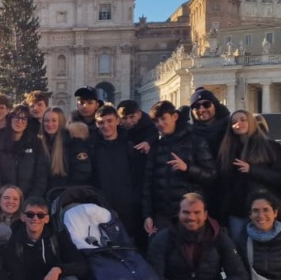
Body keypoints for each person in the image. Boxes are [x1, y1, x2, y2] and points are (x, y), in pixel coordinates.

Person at [213, 109, 281, 240]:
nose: (238, 124)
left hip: (263, 210)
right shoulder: (226, 150)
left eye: (243, 120)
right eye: (234, 122)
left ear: (251, 122)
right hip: (236, 212)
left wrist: (252, 170)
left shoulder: (270, 147)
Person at [142, 101, 216, 236]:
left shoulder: (196, 141)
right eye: (156, 121)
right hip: (162, 215)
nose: (160, 124)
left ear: (175, 116)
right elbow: (148, 183)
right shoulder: (156, 145)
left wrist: (187, 168)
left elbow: (211, 175)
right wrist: (147, 215)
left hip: (189, 214)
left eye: (163, 118)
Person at [89, 105, 144, 244]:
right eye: (101, 122)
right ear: (96, 124)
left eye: (109, 121)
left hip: (129, 209)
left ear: (117, 121)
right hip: (102, 208)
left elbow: (138, 177)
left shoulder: (130, 145)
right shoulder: (93, 148)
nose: (106, 125)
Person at [0, 106, 48, 202]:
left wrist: (30, 199)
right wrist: (2, 197)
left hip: (28, 199)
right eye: (16, 117)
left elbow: (41, 176)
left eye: (24, 119)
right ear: (10, 119)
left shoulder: (36, 143)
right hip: (4, 199)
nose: (19, 121)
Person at [39, 107, 92, 198]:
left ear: (61, 122)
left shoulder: (73, 142)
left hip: (65, 196)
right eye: (46, 121)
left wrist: (65, 192)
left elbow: (83, 171)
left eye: (54, 120)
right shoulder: (41, 143)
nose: (49, 124)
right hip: (45, 195)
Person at [187, 88, 231, 161]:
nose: (202, 110)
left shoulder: (230, 128)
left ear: (215, 106)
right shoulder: (187, 133)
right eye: (197, 106)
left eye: (206, 104)